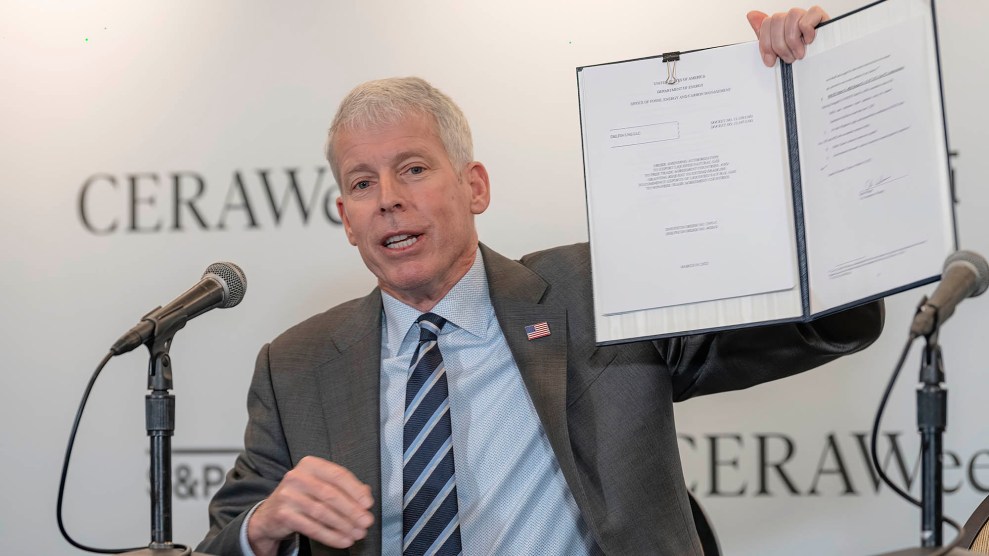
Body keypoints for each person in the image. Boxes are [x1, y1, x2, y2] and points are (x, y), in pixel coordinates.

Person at [198, 6, 881, 555]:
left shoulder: (594, 290)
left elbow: (817, 324)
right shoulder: (297, 364)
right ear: (346, 219)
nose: (387, 198)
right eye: (361, 182)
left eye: (412, 168)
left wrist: (798, 109)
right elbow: (227, 531)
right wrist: (263, 527)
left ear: (474, 187)